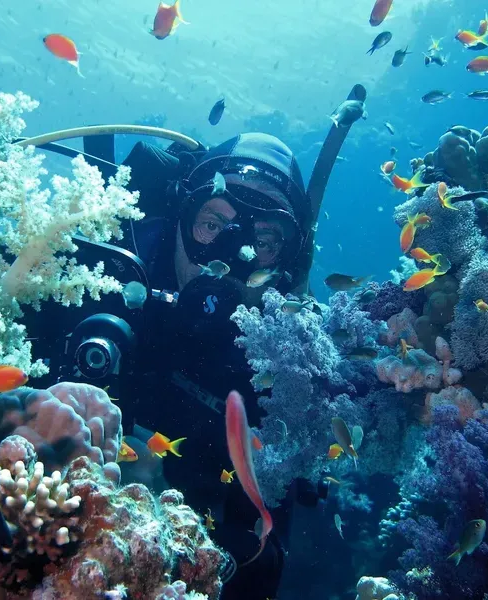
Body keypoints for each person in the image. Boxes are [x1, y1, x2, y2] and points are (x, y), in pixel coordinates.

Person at [116, 133, 321, 600]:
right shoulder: (113, 277)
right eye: (213, 223)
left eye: (263, 240)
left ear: (287, 262)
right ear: (178, 218)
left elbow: (265, 554)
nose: (230, 258)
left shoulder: (282, 369)